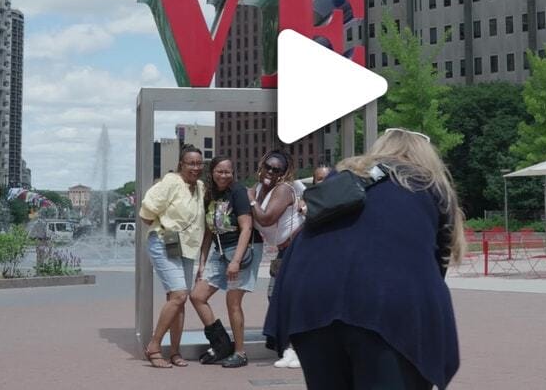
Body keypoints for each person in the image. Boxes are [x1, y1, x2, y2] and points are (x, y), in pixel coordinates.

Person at [265, 128, 464, 390]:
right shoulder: (430, 186)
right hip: (386, 301)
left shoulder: (343, 177)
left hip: (308, 297)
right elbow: (438, 264)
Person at [189, 156, 262, 368]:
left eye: (227, 171)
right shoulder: (210, 195)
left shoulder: (237, 192)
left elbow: (247, 228)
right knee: (197, 296)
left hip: (242, 250)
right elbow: (208, 233)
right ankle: (222, 344)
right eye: (219, 171)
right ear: (212, 172)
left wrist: (236, 261)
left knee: (233, 301)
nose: (223, 175)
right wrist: (202, 264)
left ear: (233, 173)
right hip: (220, 251)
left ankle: (240, 353)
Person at [140, 144, 206, 369]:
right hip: (163, 241)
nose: (195, 167)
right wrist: (165, 226)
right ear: (181, 164)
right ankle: (154, 346)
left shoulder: (200, 187)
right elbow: (147, 212)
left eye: (199, 163)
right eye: (191, 163)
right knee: (179, 295)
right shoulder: (170, 181)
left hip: (186, 247)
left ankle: (175, 352)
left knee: (179, 300)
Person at [249, 150, 305, 369]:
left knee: (288, 298)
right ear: (261, 166)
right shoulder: (260, 189)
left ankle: (296, 348)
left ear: (284, 173)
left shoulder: (282, 189)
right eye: (268, 167)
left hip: (298, 246)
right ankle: (289, 346)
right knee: (277, 296)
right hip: (283, 252)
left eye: (277, 170)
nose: (271, 172)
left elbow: (267, 217)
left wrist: (252, 201)